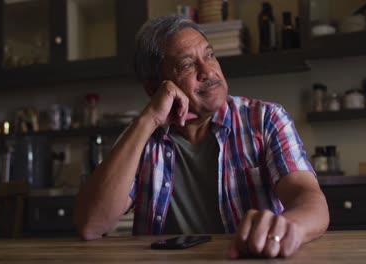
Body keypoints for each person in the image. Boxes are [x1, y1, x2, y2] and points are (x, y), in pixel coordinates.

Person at [74, 15, 329, 259]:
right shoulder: (141, 137)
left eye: (210, 55)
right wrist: (147, 119)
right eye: (187, 65)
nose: (208, 71)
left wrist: (285, 228)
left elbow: (310, 201)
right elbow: (91, 225)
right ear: (154, 87)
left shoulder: (266, 119)